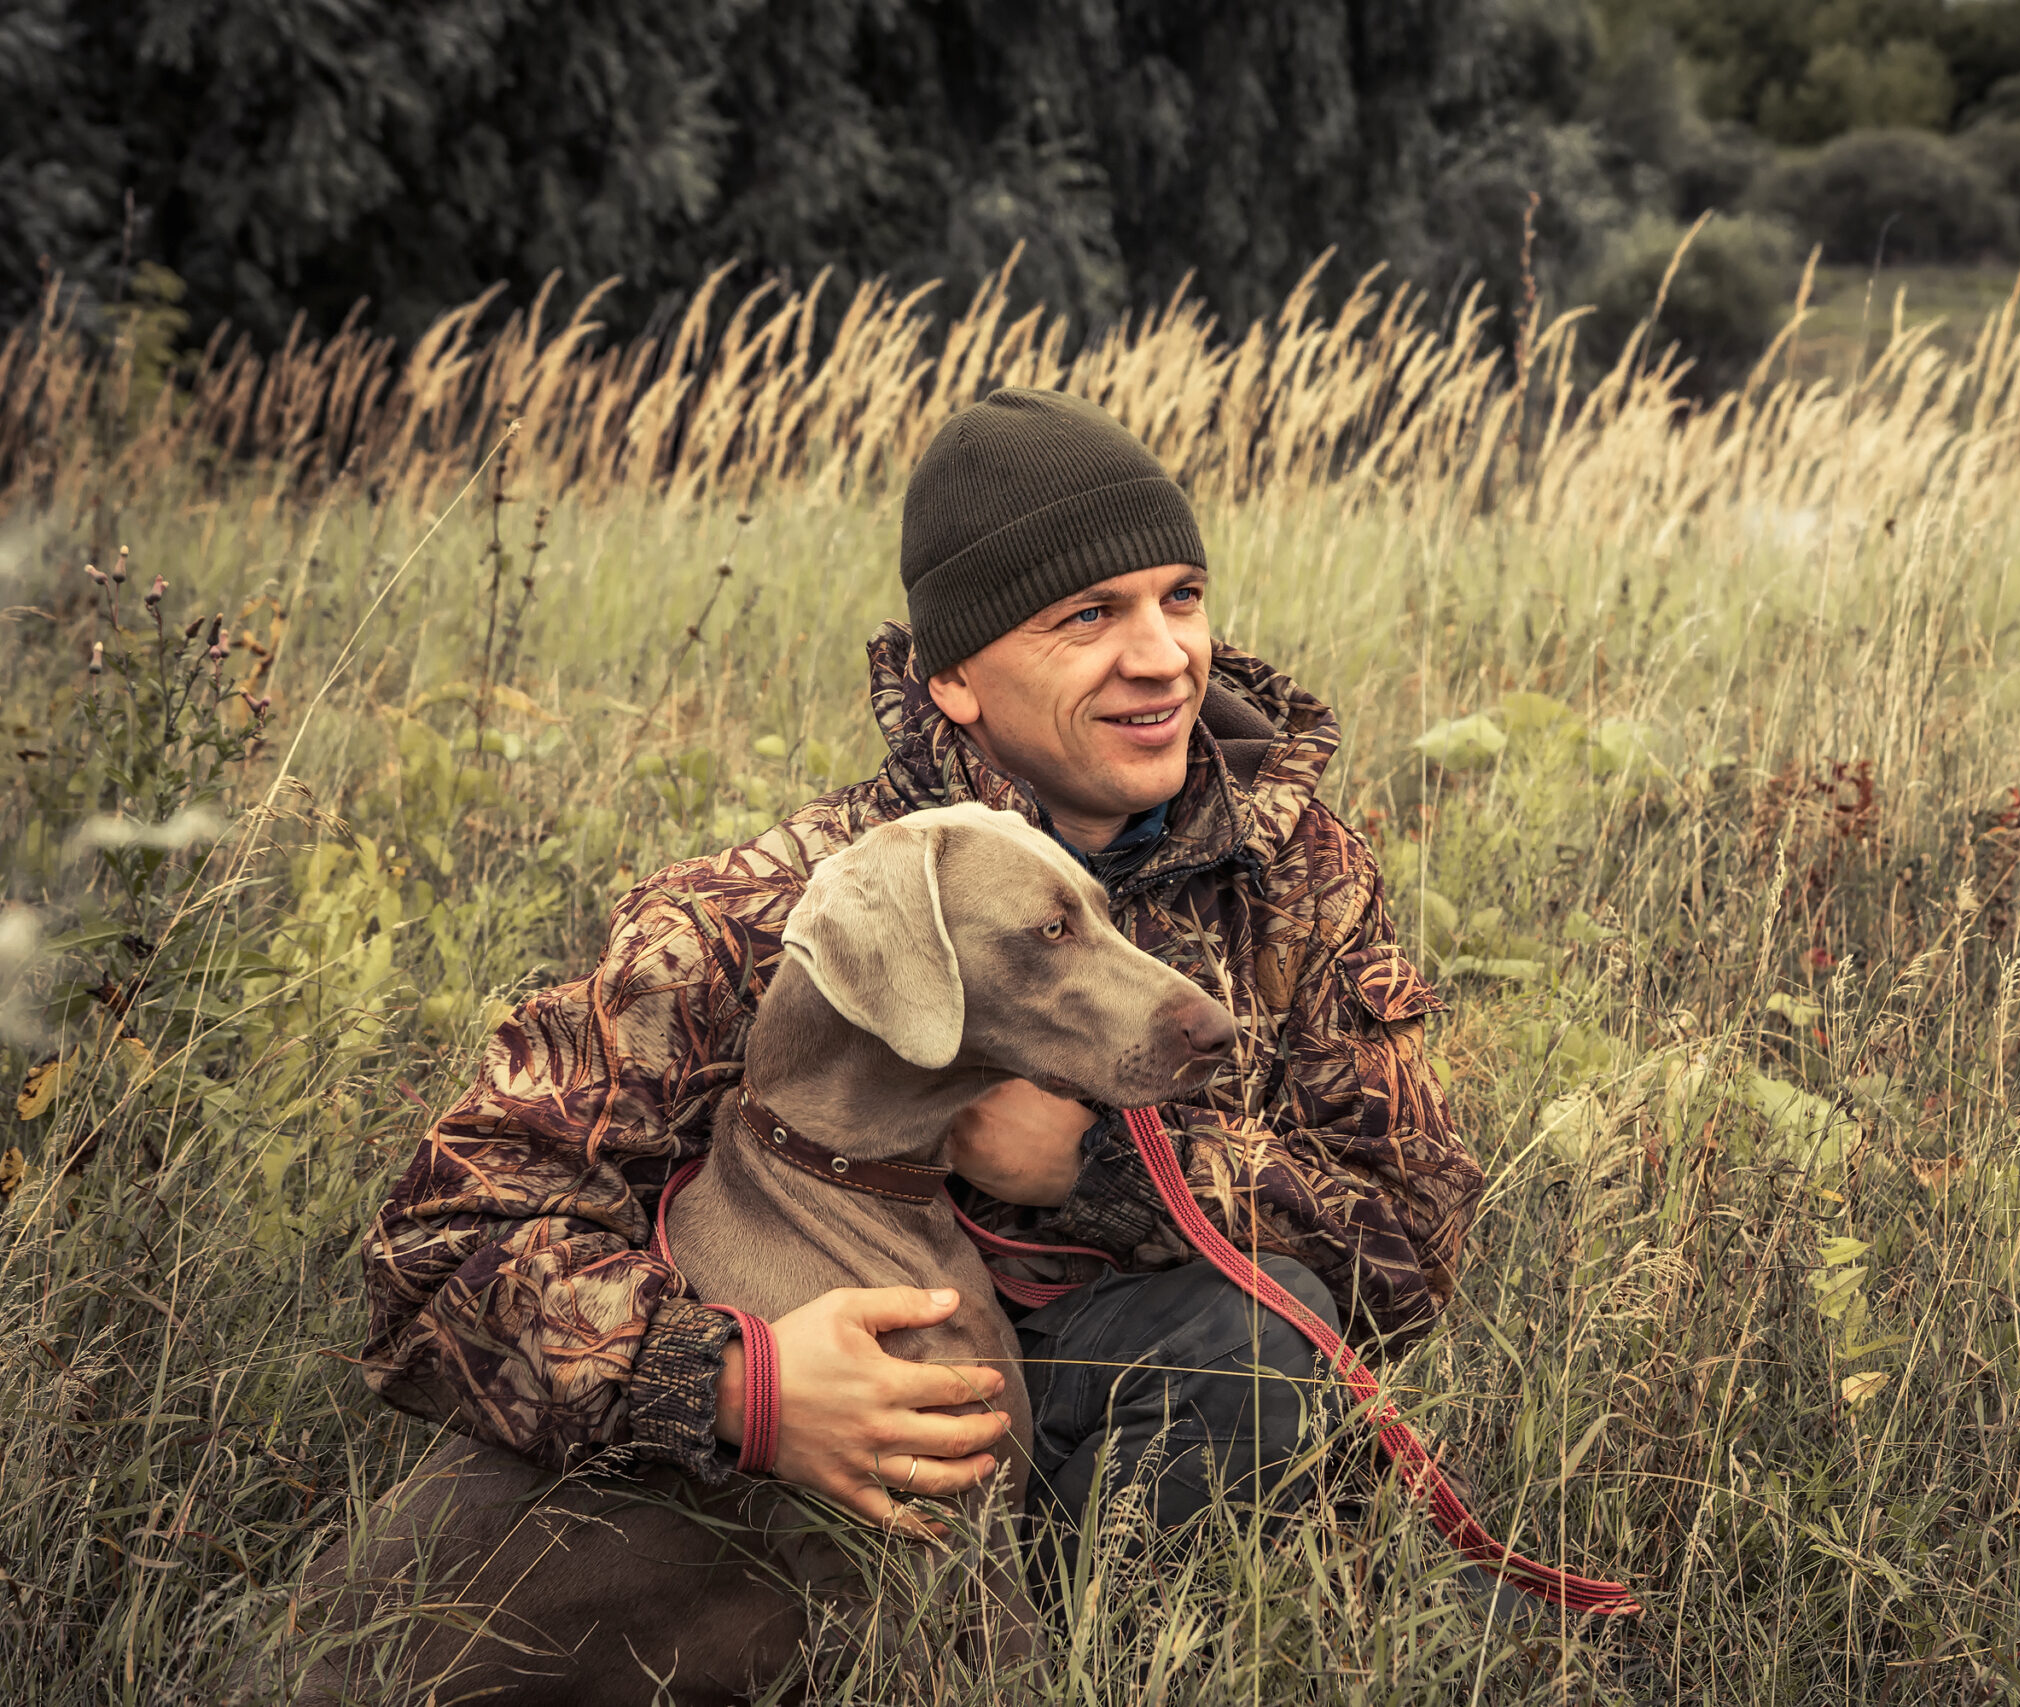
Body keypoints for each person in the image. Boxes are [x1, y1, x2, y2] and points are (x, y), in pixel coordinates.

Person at [360, 387, 1483, 1556]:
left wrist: (1106, 1170)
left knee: (1257, 1346)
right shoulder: (761, 913)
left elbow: (1412, 1241)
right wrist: (740, 1390)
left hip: (1131, 1396)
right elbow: (434, 1264)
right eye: (1088, 615)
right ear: (953, 680)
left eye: (1180, 598)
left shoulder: (1291, 870)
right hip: (824, 1455)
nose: (1162, 658)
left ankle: (1101, 1650)